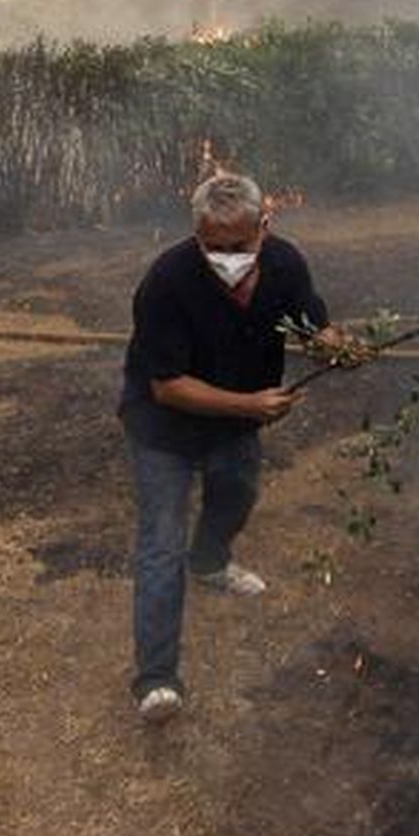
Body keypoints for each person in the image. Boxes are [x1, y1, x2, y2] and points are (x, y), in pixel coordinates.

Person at [119, 172, 362, 723]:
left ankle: (209, 562)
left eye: (240, 246)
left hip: (233, 425)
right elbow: (167, 386)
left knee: (236, 494)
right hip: (164, 428)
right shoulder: (166, 281)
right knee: (160, 542)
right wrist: (249, 406)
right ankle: (156, 680)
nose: (227, 258)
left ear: (264, 228)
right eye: (214, 247)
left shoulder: (285, 264)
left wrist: (336, 347)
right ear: (197, 234)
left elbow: (311, 327)